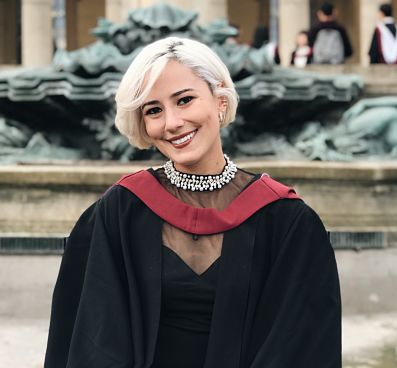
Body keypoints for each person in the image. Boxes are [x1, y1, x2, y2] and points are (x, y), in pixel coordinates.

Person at [44, 37, 341, 368]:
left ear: (220, 101)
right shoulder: (120, 212)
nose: (171, 123)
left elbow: (301, 343)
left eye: (184, 100)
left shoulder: (285, 221)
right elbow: (90, 339)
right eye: (154, 110)